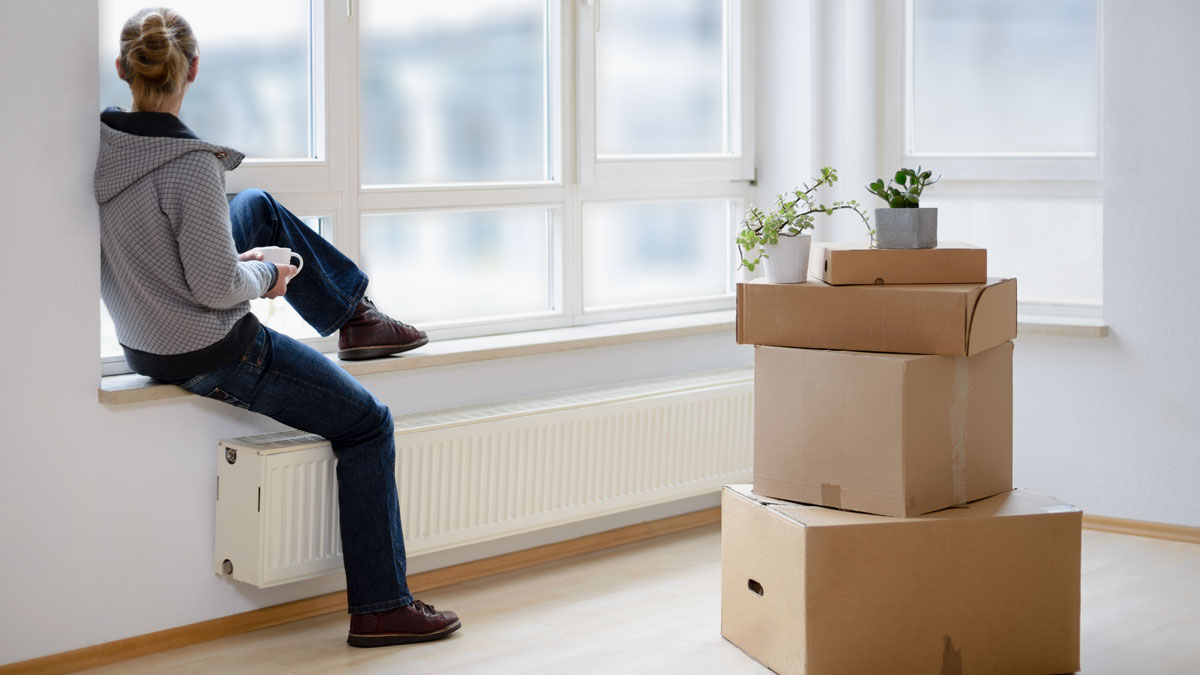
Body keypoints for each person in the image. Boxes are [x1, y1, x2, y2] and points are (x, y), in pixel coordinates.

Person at [95, 7, 460, 647]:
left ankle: (354, 318)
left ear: (122, 69)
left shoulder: (106, 149)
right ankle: (380, 607)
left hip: (144, 336)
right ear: (195, 69)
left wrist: (242, 260)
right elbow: (215, 288)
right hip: (211, 346)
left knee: (257, 207)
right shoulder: (189, 164)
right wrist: (269, 277)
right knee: (369, 423)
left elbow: (172, 247)